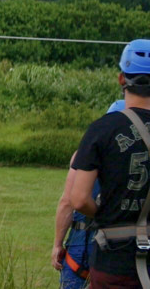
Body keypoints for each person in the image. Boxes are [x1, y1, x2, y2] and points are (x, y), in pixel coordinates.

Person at [71, 40, 150, 288]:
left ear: (121, 79)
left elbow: (79, 199)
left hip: (113, 260)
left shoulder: (101, 129)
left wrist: (107, 215)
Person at [53, 100, 124, 288]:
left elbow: (67, 202)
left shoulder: (84, 153)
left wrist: (57, 244)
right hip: (123, 245)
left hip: (81, 241)